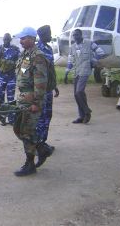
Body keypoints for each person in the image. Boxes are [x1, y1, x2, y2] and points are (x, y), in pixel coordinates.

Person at [13, 27, 49, 176]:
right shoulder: (26, 55)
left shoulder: (38, 57)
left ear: (31, 39)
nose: (20, 41)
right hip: (23, 99)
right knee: (18, 129)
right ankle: (42, 147)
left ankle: (30, 165)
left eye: (23, 38)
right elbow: (23, 76)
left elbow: (40, 83)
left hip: (32, 100)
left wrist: (36, 103)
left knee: (26, 132)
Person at [64, 29, 107, 124]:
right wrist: (66, 72)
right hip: (76, 72)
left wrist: (93, 61)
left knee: (79, 91)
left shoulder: (89, 43)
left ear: (81, 35)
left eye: (77, 35)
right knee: (76, 94)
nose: (75, 37)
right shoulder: (73, 47)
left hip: (85, 71)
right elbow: (70, 60)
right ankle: (81, 116)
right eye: (74, 35)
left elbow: (101, 53)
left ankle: (87, 112)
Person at [35, 25, 59, 167]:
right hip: (39, 91)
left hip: (48, 90)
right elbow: (25, 70)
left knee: (47, 116)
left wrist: (54, 85)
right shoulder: (35, 50)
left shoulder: (49, 49)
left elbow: (51, 70)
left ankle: (43, 142)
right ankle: (38, 145)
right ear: (43, 35)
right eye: (49, 33)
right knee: (39, 118)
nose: (51, 35)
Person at [0, 33, 20, 125]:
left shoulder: (15, 49)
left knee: (11, 99)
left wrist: (23, 73)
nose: (6, 41)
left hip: (11, 77)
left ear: (10, 39)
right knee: (0, 99)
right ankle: (2, 119)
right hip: (0, 77)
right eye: (5, 39)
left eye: (8, 39)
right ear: (3, 39)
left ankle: (11, 119)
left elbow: (23, 61)